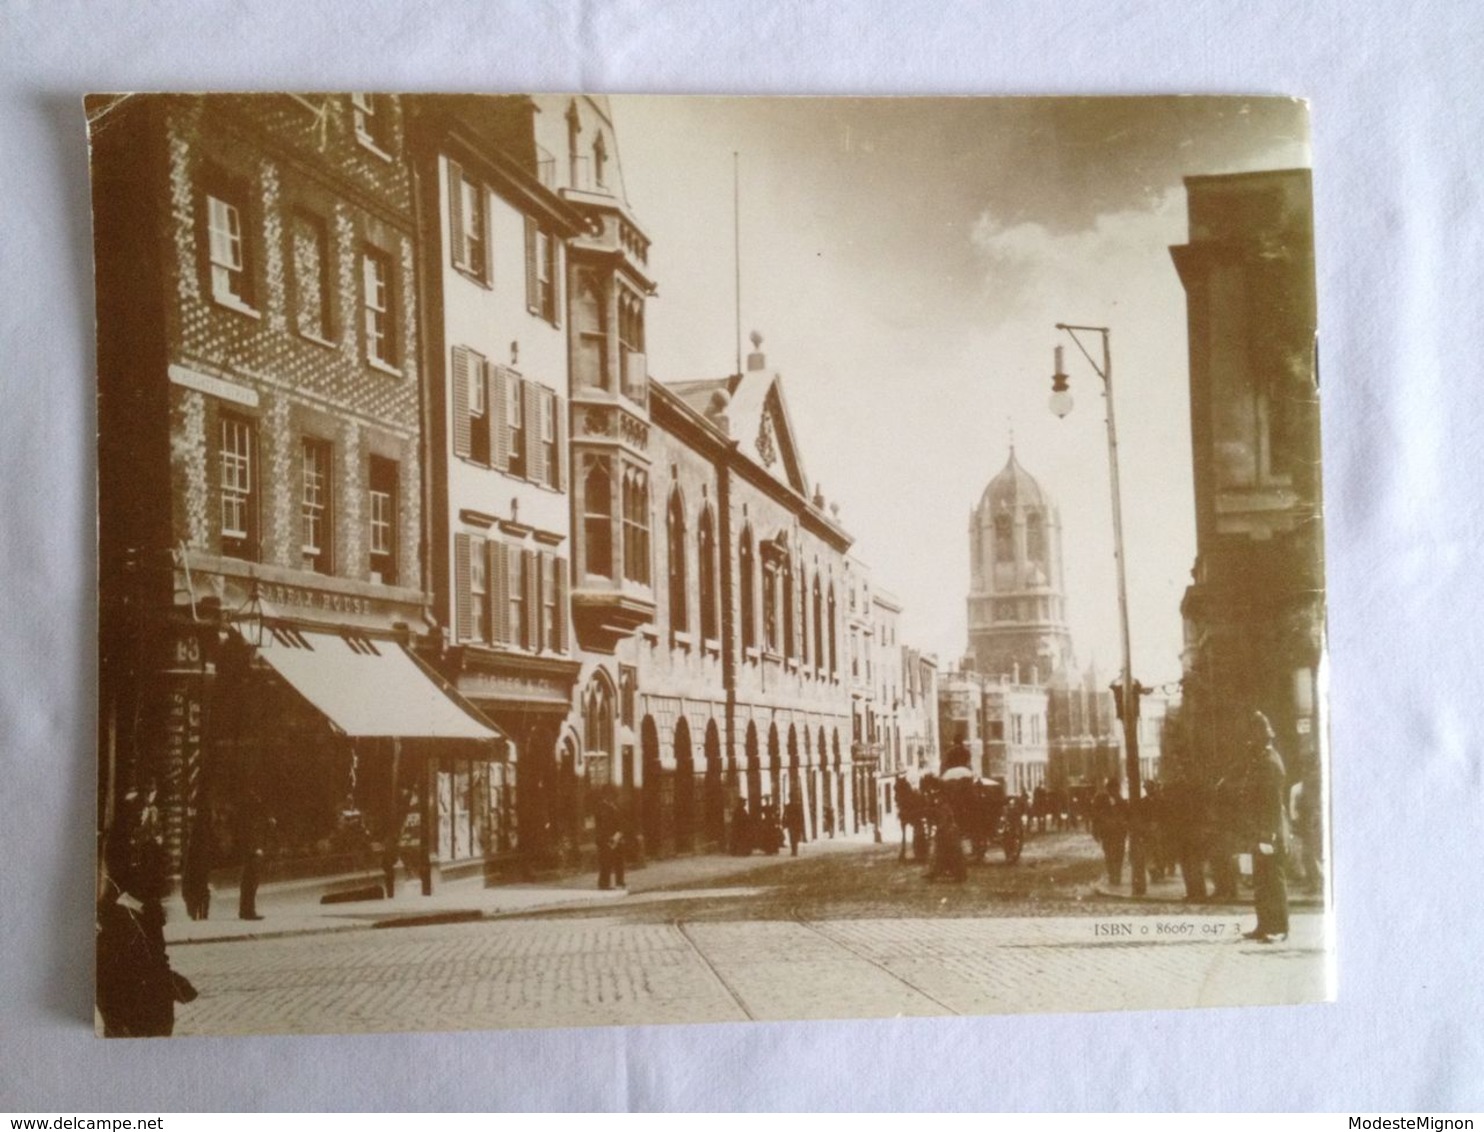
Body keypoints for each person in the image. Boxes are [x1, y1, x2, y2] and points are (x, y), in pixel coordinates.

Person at [1243, 711, 1291, 943]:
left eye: (1255, 737)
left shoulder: (1270, 763)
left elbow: (1272, 803)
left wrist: (1268, 835)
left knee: (1274, 879)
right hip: (1261, 828)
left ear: (1264, 737)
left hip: (1270, 830)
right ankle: (1264, 925)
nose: (1251, 741)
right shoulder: (1261, 761)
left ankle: (1279, 927)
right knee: (1262, 880)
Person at [1090, 777, 1129, 886]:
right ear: (1108, 789)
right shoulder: (1100, 799)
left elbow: (1126, 815)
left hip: (1119, 833)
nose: (1115, 790)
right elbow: (1095, 816)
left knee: (1119, 854)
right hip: (1107, 833)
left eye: (1117, 788)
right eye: (1113, 788)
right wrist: (1096, 832)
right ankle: (1113, 875)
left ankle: (1117, 875)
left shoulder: (1121, 800)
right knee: (1109, 854)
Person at [594, 788, 625, 890]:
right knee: (606, 862)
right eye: (611, 796)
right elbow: (603, 825)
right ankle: (604, 884)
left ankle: (620, 881)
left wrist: (619, 833)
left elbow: (620, 820)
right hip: (606, 839)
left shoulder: (614, 806)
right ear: (606, 796)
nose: (613, 798)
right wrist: (610, 838)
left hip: (617, 838)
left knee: (619, 861)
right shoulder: (601, 807)